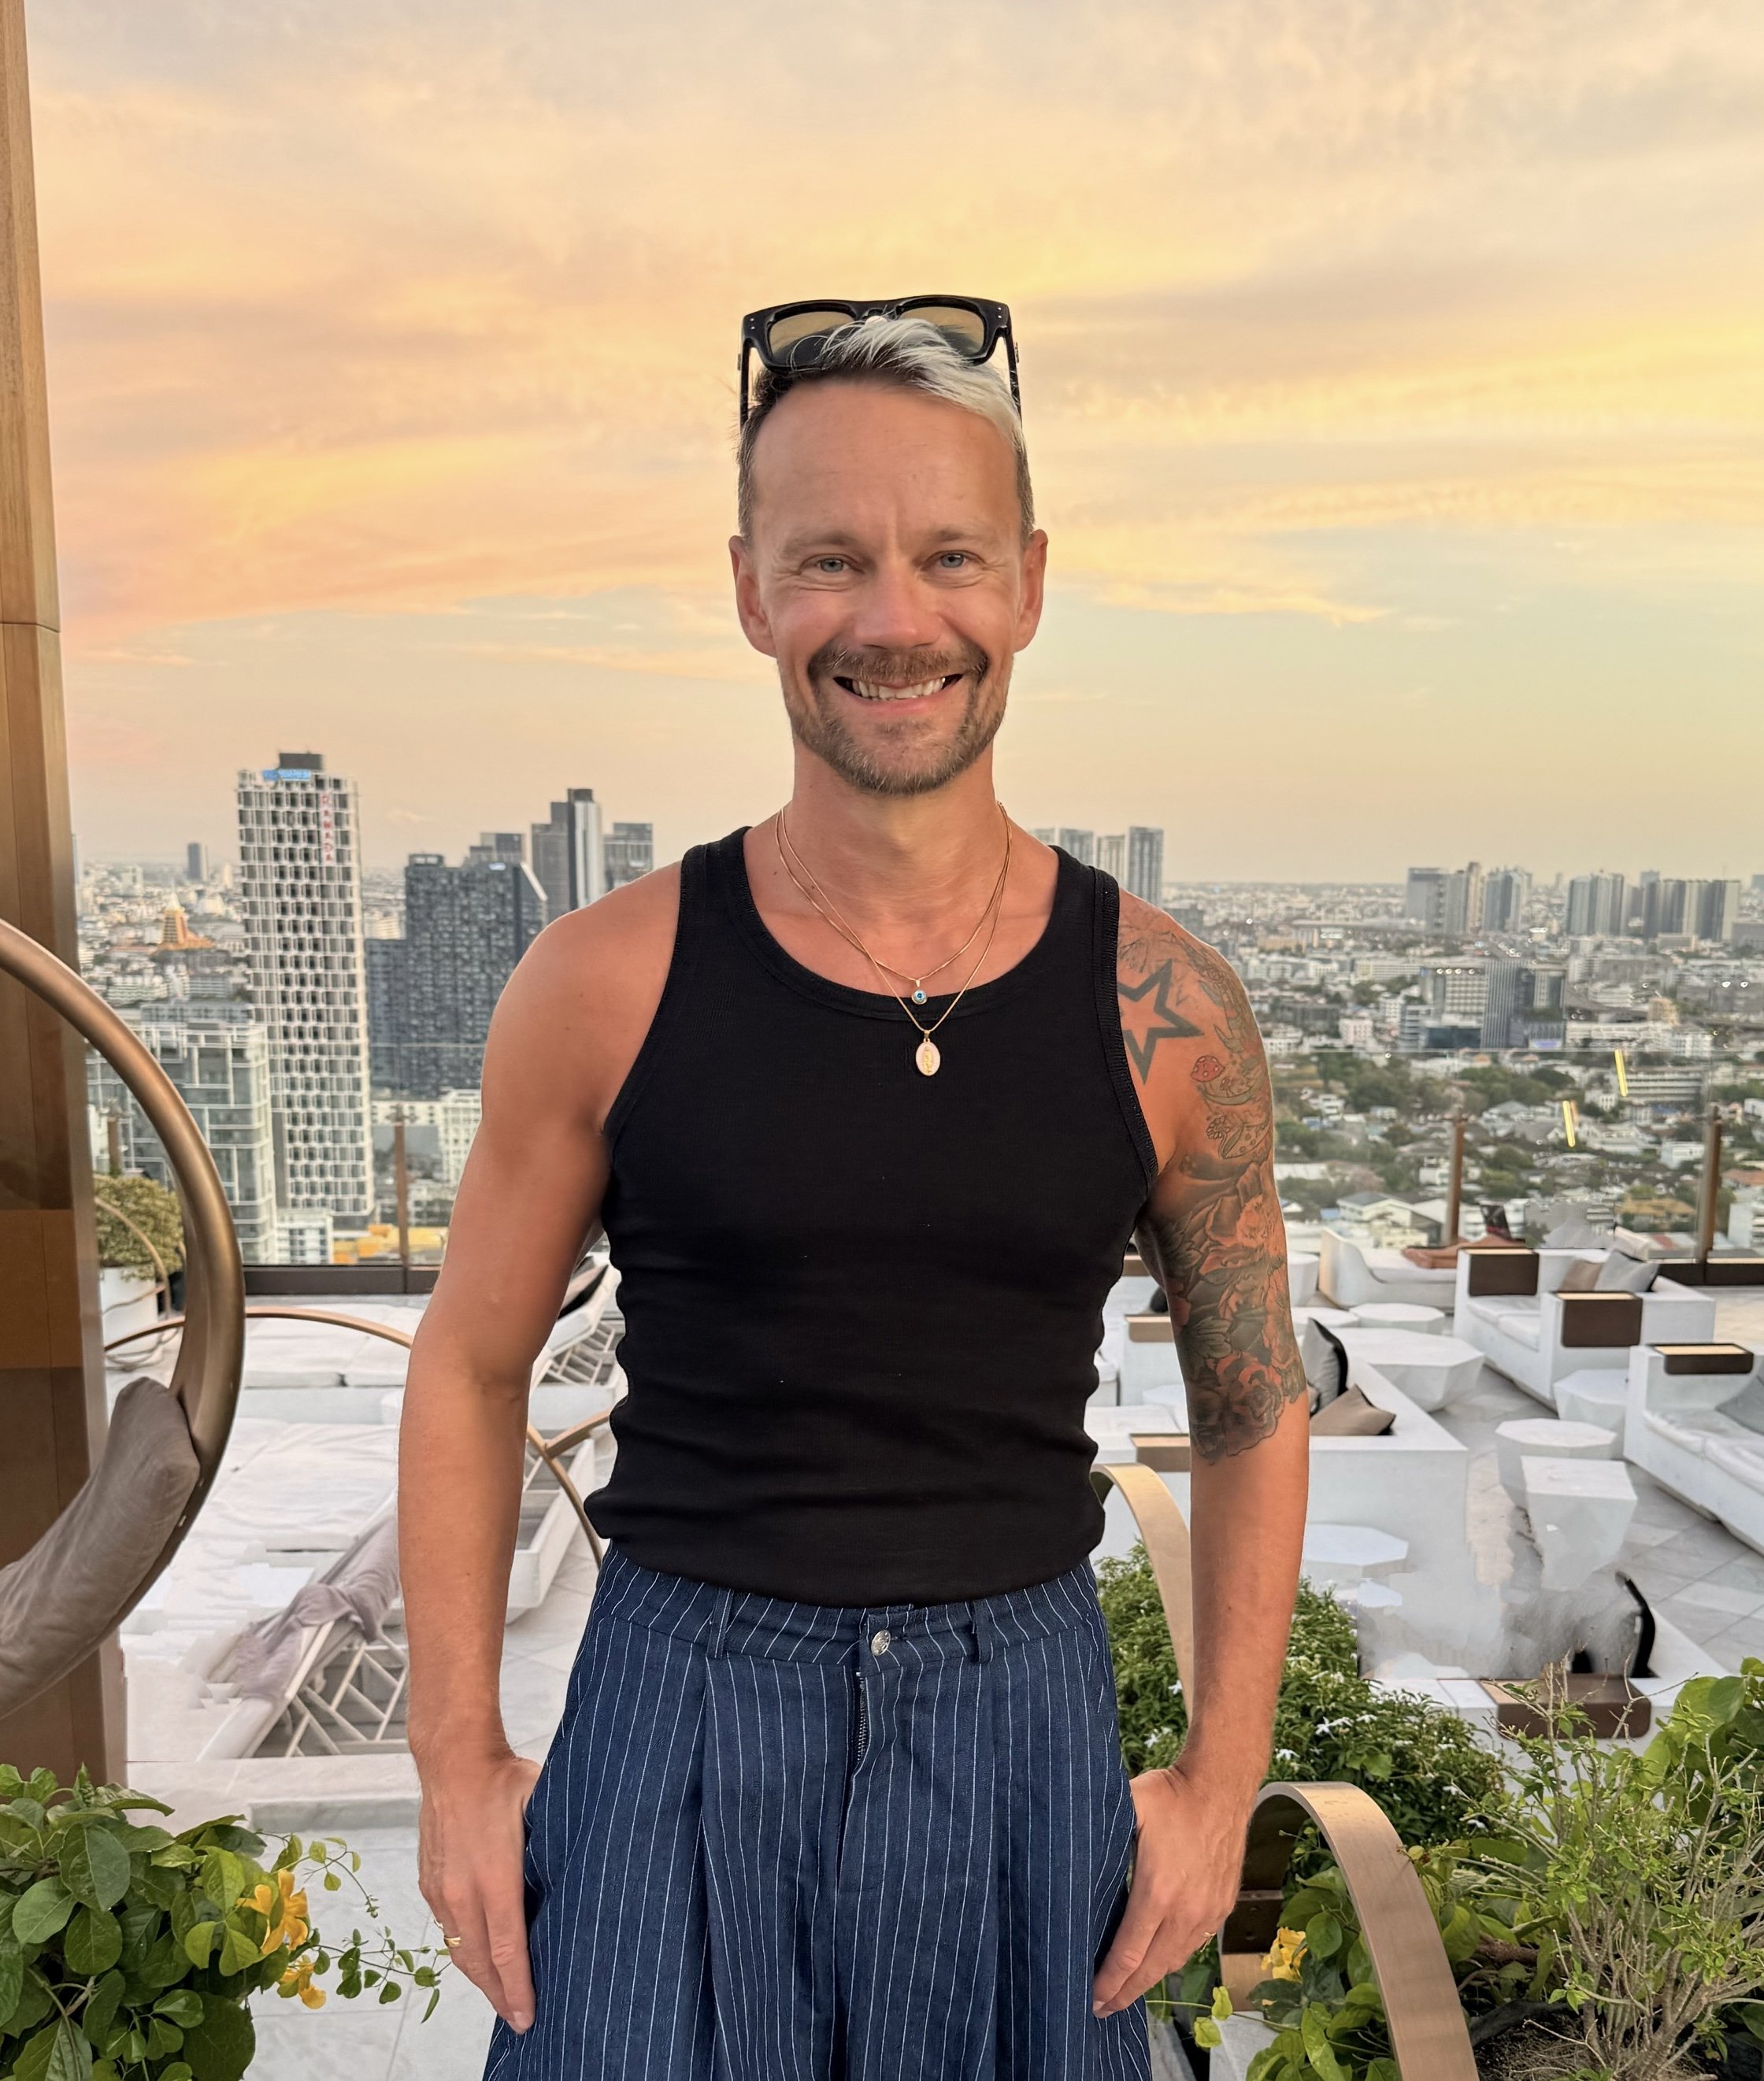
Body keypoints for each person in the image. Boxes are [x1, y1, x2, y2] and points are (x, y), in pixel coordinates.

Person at [398, 302, 1309, 2081]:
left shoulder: (1171, 1009)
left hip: (1019, 1718)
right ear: (751, 589)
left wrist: (1222, 1778)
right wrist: (456, 1756)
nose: (896, 618)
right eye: (832, 559)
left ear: (1028, 581)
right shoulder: (604, 979)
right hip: (675, 1705)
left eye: (947, 553)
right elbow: (467, 1361)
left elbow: (1253, 1396)